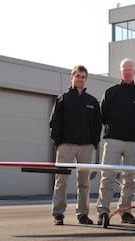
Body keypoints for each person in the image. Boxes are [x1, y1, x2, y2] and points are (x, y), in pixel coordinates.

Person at [96, 58, 135, 225]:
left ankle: (125, 212)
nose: (127, 72)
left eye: (130, 69)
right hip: (113, 141)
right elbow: (103, 116)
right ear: (120, 72)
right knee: (107, 177)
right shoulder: (110, 92)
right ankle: (103, 212)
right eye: (124, 69)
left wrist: (132, 130)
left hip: (133, 142)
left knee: (129, 179)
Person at [49, 65, 102, 225]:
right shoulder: (63, 99)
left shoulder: (92, 101)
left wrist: (94, 143)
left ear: (86, 80)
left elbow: (97, 125)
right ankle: (58, 213)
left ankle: (83, 214)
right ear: (71, 77)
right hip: (65, 146)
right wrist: (58, 143)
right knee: (61, 181)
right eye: (77, 76)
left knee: (84, 183)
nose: (80, 79)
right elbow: (54, 123)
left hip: (86, 147)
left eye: (83, 77)